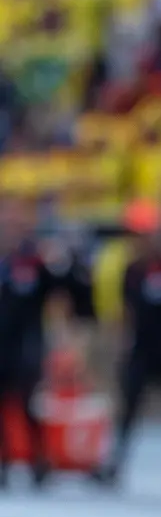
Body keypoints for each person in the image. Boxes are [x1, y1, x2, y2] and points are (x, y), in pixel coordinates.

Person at [96, 200, 161, 491]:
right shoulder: (132, 270)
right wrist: (122, 345)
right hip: (141, 348)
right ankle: (115, 464)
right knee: (128, 408)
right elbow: (127, 311)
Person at [0, 197, 87, 487]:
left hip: (27, 341)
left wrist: (64, 334)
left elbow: (61, 294)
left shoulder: (35, 260)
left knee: (26, 402)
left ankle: (39, 462)